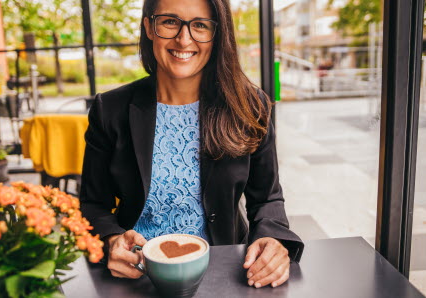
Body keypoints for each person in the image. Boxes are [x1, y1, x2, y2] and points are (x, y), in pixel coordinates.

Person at [79, 0, 304, 289]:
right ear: (149, 26)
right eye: (170, 22)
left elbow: (267, 199)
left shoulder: (249, 106)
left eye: (200, 25)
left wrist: (272, 239)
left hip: (226, 271)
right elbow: (93, 204)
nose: (183, 39)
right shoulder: (109, 109)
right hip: (135, 275)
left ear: (218, 33)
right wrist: (111, 240)